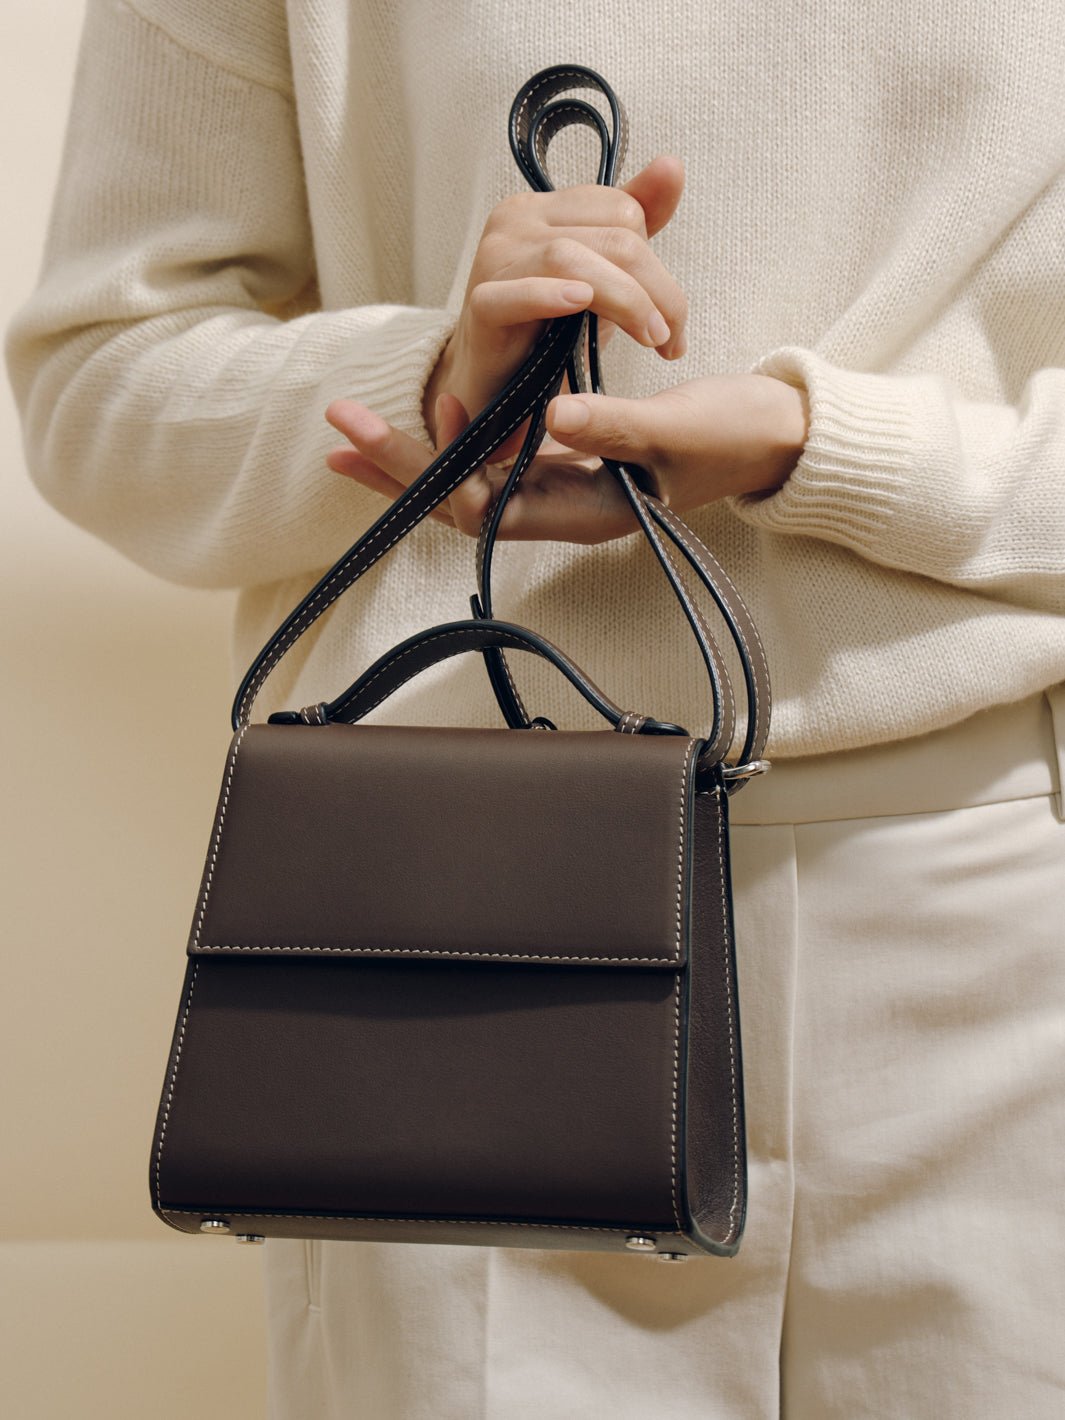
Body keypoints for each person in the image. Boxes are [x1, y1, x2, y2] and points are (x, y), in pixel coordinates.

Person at [8, 1, 1065, 1416]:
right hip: (453, 931)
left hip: (1005, 924)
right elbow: (102, 384)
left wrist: (824, 446)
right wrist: (432, 385)